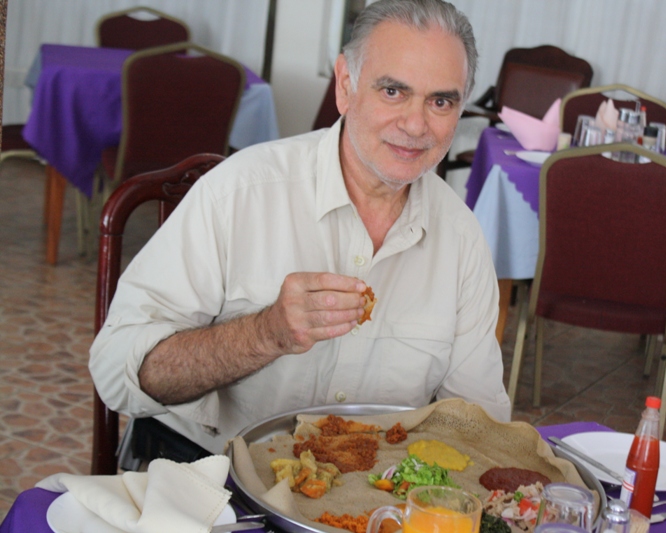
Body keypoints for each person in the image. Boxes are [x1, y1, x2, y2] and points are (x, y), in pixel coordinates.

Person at [89, 0, 511, 455]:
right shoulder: (239, 192)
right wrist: (264, 333)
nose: (415, 124)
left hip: (369, 501)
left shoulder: (461, 237)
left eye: (441, 101)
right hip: (207, 480)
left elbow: (476, 420)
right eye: (393, 91)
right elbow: (117, 372)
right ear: (346, 86)